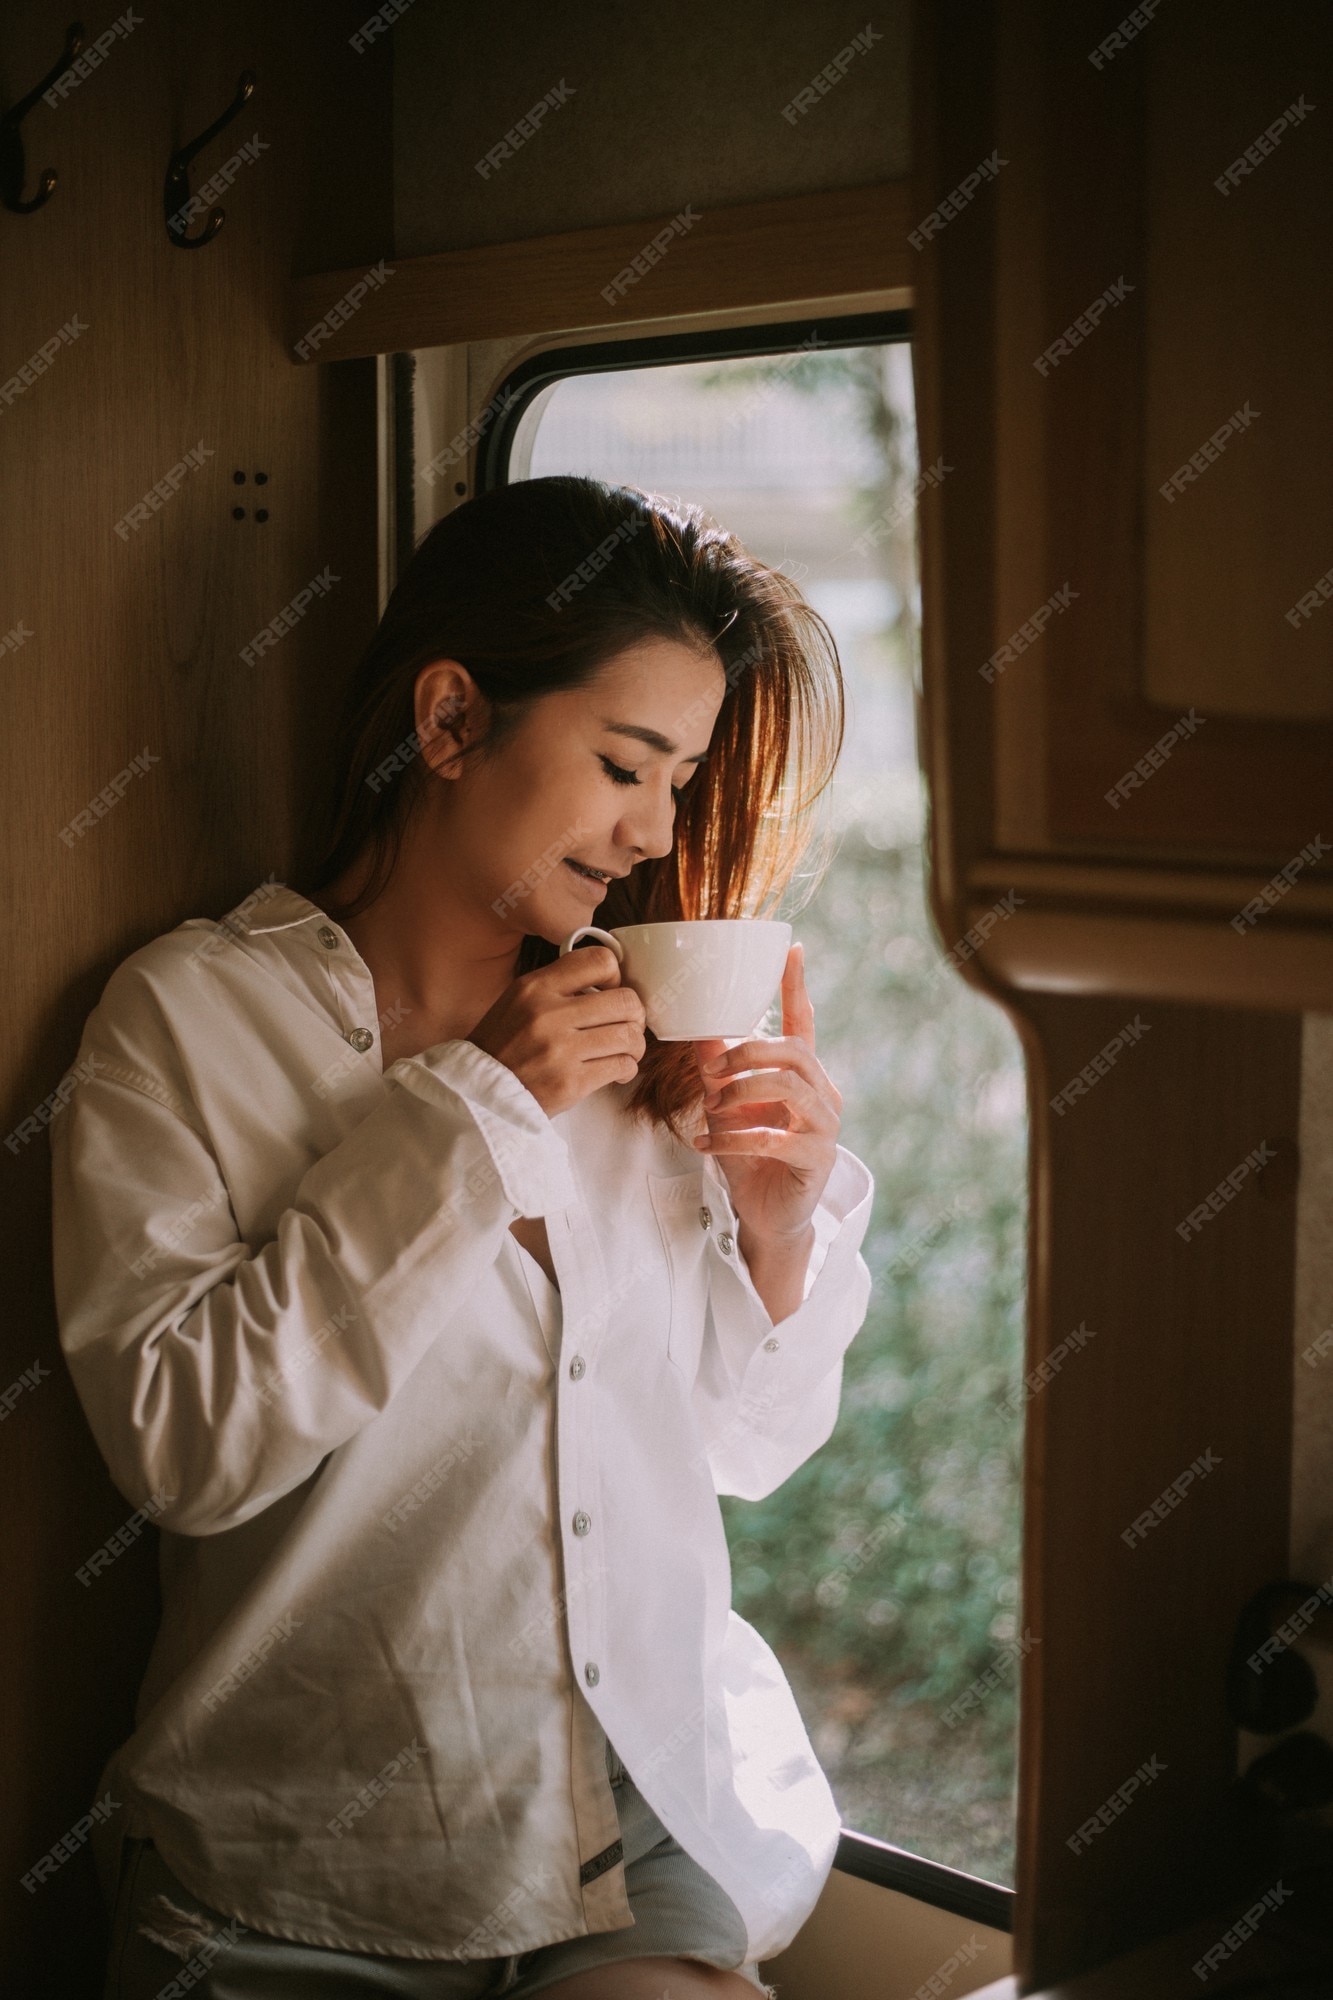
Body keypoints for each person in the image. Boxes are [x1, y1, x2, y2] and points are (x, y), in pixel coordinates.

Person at [51, 476, 876, 1998]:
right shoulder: (187, 1020)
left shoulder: (646, 1045)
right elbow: (183, 1451)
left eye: (681, 781)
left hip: (632, 1821)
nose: (652, 832)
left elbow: (740, 1448)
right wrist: (469, 1116)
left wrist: (772, 1240)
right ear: (448, 722)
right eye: (626, 764)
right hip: (302, 1874)